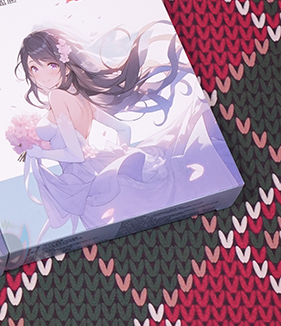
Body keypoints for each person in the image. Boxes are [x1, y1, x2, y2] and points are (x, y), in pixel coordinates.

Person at [16, 24, 238, 242]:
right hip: (94, 168)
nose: (43, 76)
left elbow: (75, 154)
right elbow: (124, 129)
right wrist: (120, 152)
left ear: (65, 65)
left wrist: (38, 153)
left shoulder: (57, 97)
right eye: (34, 68)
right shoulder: (80, 97)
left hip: (82, 180)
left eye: (51, 65)